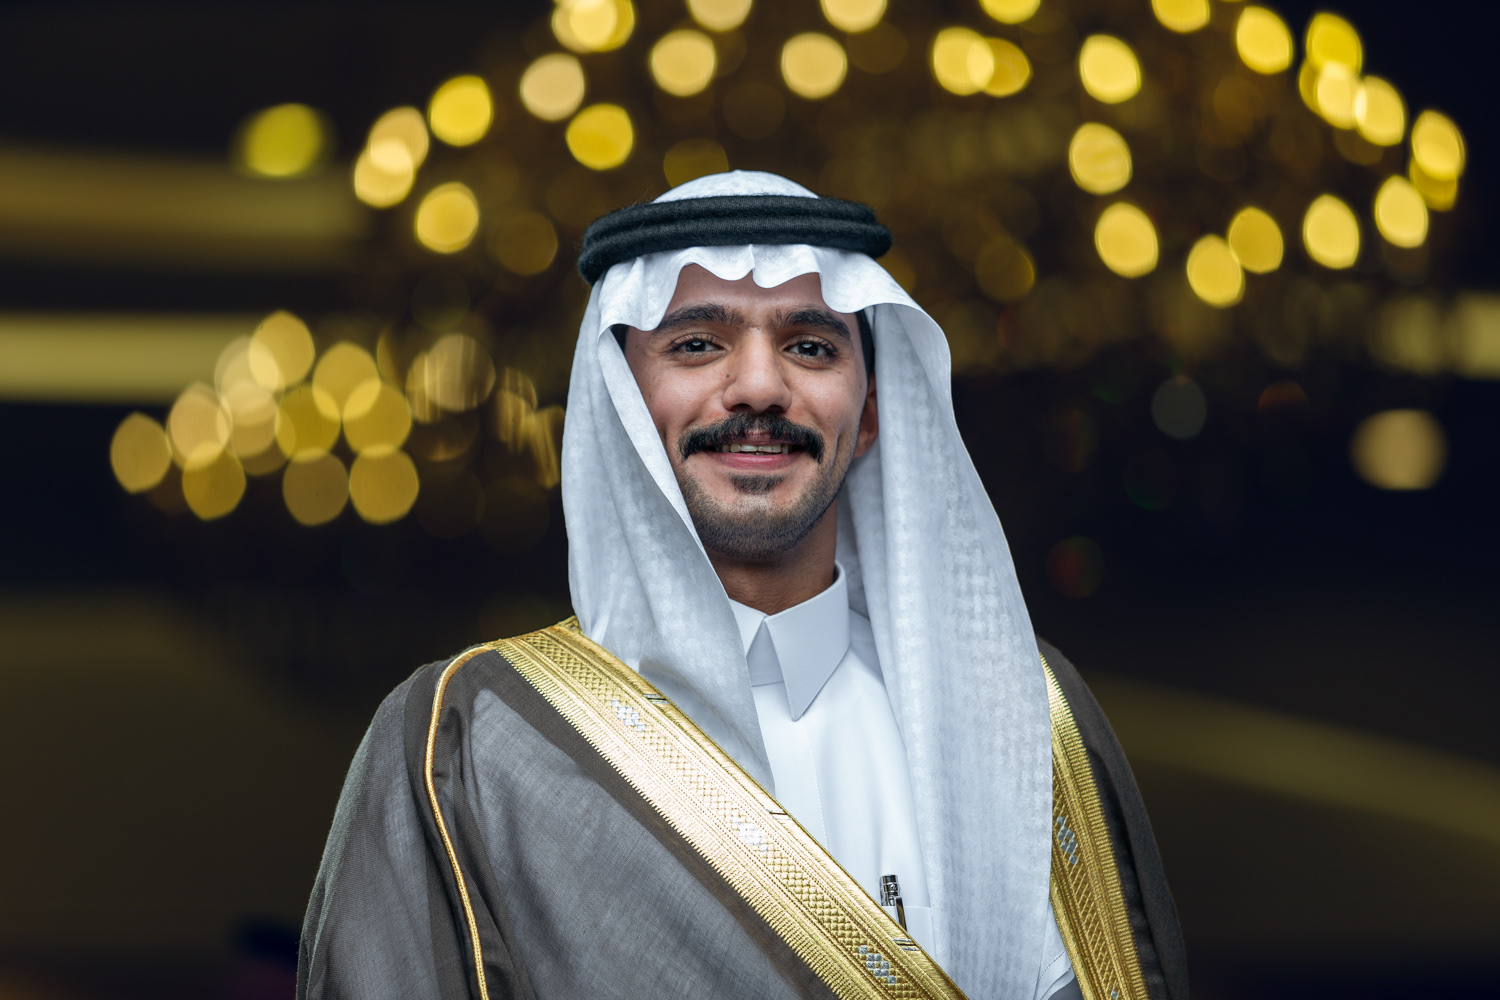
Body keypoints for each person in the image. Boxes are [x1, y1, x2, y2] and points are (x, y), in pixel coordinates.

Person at [297, 172, 1188, 1000]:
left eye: (810, 346)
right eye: (696, 344)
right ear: (621, 406)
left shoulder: (1027, 712)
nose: (760, 386)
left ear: (870, 413)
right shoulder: (472, 741)